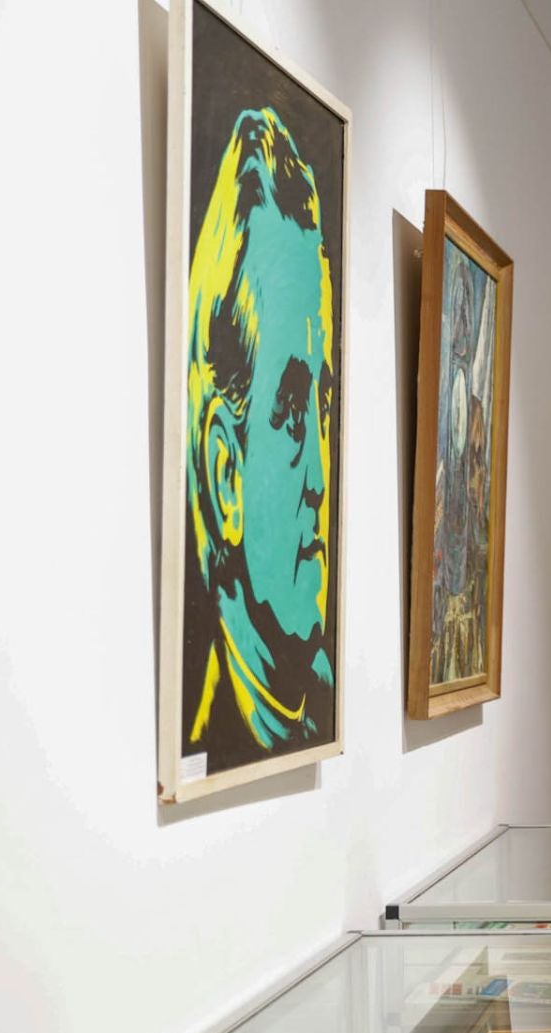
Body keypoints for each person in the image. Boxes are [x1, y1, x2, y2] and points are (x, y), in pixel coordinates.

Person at [182, 108, 339, 768]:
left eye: (326, 407)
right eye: (295, 412)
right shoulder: (211, 741)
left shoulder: (322, 697)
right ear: (225, 475)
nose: (322, 480)